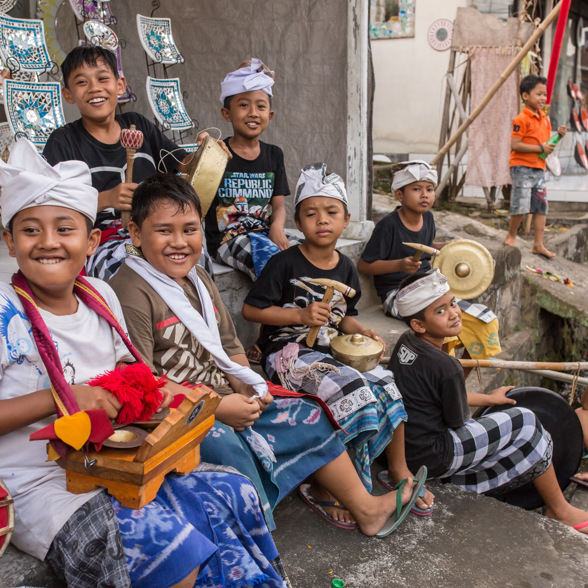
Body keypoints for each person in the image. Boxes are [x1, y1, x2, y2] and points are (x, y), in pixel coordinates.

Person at [0, 138, 289, 587]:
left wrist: (165, 394)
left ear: (92, 239)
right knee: (173, 551)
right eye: (31, 230)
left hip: (119, 461)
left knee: (235, 491)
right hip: (44, 485)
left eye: (65, 228)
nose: (49, 242)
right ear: (9, 241)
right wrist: (61, 398)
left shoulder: (101, 297)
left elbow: (131, 379)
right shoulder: (4, 313)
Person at [108, 172, 425, 536]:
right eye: (164, 230)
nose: (179, 242)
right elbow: (143, 387)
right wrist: (218, 407)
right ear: (135, 233)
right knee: (229, 447)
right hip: (180, 414)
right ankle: (260, 542)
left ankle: (366, 509)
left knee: (310, 414)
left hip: (224, 397)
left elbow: (229, 347)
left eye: (190, 229)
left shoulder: (198, 278)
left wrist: (250, 387)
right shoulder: (131, 291)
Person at [242, 162, 434, 521]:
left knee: (388, 383)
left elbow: (343, 313)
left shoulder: (345, 266)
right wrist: (298, 316)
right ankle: (326, 486)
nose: (321, 220)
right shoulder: (284, 263)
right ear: (298, 223)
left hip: (327, 349)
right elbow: (252, 310)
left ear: (346, 219)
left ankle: (397, 468)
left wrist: (358, 330)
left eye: (331, 212)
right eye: (311, 213)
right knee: (350, 389)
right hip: (287, 353)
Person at [388, 268, 588, 535]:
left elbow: (435, 399)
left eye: (453, 303)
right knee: (526, 421)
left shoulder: (406, 344)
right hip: (434, 454)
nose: (454, 313)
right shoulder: (446, 366)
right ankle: (559, 509)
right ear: (419, 325)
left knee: (512, 427)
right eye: (440, 311)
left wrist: (489, 399)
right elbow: (458, 420)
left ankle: (555, 506)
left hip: (408, 447)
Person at [42, 45, 215, 281]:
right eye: (82, 82)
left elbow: (182, 164)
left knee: (198, 263)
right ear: (69, 94)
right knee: (129, 275)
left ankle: (201, 315)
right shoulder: (63, 142)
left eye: (103, 78)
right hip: (101, 239)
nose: (95, 88)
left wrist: (206, 151)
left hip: (154, 230)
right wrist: (106, 199)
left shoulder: (137, 124)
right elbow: (52, 206)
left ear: (120, 85)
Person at [358, 160, 501, 362]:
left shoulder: (429, 219)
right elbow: (364, 264)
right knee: (443, 323)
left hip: (430, 287)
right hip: (398, 294)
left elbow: (425, 245)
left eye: (430, 189)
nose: (425, 194)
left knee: (485, 321)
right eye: (416, 189)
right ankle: (444, 372)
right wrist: (398, 265)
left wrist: (444, 246)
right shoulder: (388, 226)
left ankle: (458, 376)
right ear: (399, 195)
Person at [205, 58, 302, 282]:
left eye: (260, 106)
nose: (253, 113)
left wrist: (277, 227)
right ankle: (274, 313)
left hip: (266, 233)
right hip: (227, 239)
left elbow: (278, 205)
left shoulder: (274, 154)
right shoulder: (218, 153)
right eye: (243, 105)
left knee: (308, 253)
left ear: (270, 115)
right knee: (269, 260)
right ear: (227, 114)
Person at [504, 74, 567, 259]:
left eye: (544, 94)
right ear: (525, 96)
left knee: (541, 207)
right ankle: (511, 235)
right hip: (521, 167)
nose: (543, 98)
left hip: (539, 168)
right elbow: (515, 145)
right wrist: (540, 147)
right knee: (520, 204)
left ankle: (538, 244)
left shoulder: (545, 119)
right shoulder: (521, 119)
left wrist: (558, 136)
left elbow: (546, 144)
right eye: (538, 94)